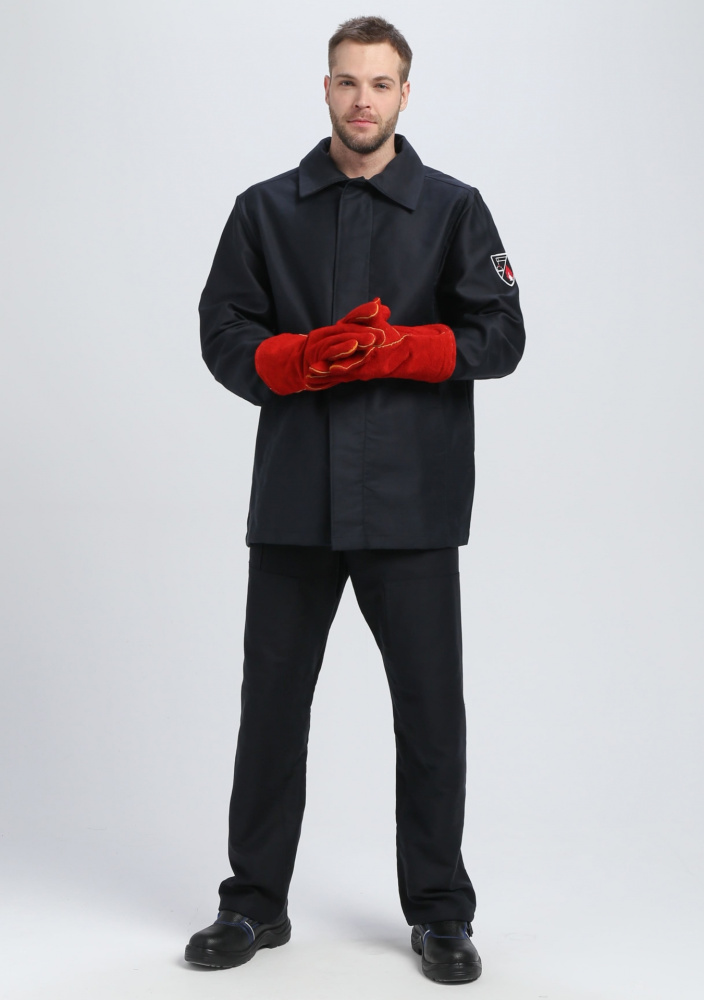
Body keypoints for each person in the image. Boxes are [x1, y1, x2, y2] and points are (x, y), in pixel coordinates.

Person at [184, 15, 525, 986]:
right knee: (271, 707)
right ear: (325, 88)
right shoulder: (264, 210)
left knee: (430, 713)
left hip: (412, 503)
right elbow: (221, 328)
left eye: (380, 83)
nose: (362, 100)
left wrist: (405, 348)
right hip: (295, 500)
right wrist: (292, 360)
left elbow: (501, 334)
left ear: (405, 93)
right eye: (347, 81)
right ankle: (252, 903)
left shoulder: (453, 209)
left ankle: (441, 913)